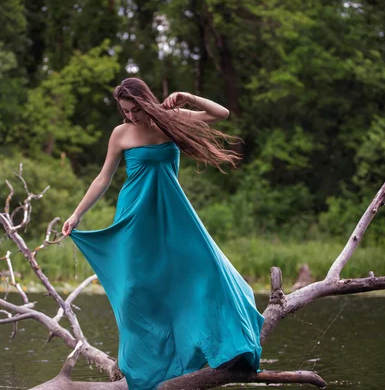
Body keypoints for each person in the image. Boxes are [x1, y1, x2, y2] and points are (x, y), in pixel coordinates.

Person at [62, 77, 264, 390]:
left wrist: (187, 96)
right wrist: (77, 214)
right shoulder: (120, 134)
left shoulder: (172, 120)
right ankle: (142, 371)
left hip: (174, 214)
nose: (131, 116)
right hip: (134, 217)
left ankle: (222, 348)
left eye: (135, 110)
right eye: (125, 111)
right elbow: (103, 179)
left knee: (206, 270)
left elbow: (221, 113)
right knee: (134, 290)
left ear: (145, 102)